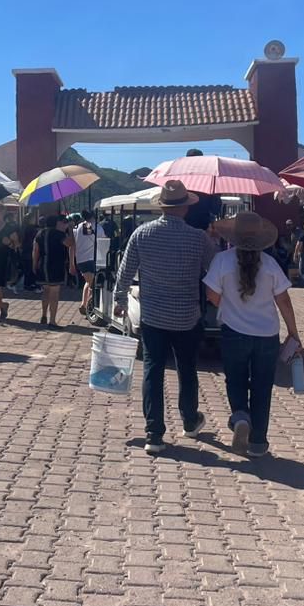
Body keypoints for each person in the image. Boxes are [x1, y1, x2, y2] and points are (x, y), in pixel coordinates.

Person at [113, 180, 215, 455]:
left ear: (162, 207)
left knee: (153, 371)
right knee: (187, 370)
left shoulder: (142, 234)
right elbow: (217, 270)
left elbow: (124, 272)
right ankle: (190, 421)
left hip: (153, 316)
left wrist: (120, 302)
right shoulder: (198, 238)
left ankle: (154, 434)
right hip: (187, 316)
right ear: (185, 208)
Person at [204, 212, 300, 457]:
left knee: (235, 379)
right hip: (267, 334)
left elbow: (211, 295)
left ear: (234, 236)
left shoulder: (222, 261)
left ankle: (240, 417)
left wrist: (228, 304)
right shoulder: (270, 264)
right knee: (262, 386)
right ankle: (258, 442)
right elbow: (284, 301)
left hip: (234, 331)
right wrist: (293, 332)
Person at [33, 214, 74, 328]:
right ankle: (52, 321)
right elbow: (70, 243)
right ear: (56, 223)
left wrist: (34, 264)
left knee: (46, 290)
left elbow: (35, 250)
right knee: (54, 293)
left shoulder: (39, 233)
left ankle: (44, 315)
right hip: (55, 266)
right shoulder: (59, 234)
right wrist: (70, 230)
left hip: (43, 264)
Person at [73, 210, 98, 318]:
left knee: (88, 282)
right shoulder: (97, 227)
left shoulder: (78, 227)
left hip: (80, 260)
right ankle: (89, 308)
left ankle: (83, 305)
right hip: (92, 259)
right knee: (94, 285)